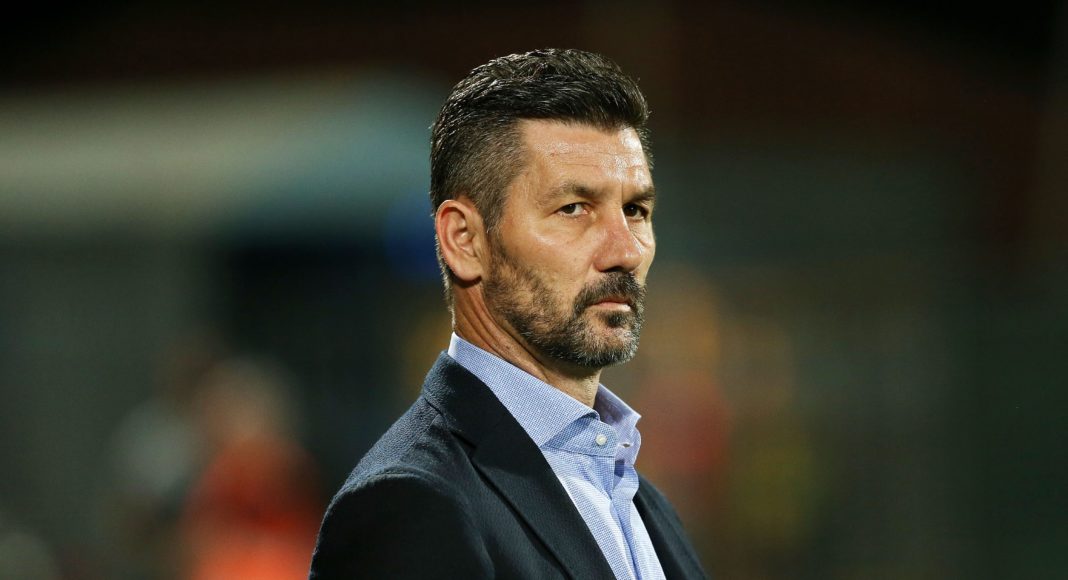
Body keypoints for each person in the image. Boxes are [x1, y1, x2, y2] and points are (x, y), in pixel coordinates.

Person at [309, 48, 709, 579]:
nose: (626, 251)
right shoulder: (411, 504)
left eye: (635, 210)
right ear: (464, 240)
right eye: (573, 208)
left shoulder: (643, 504)